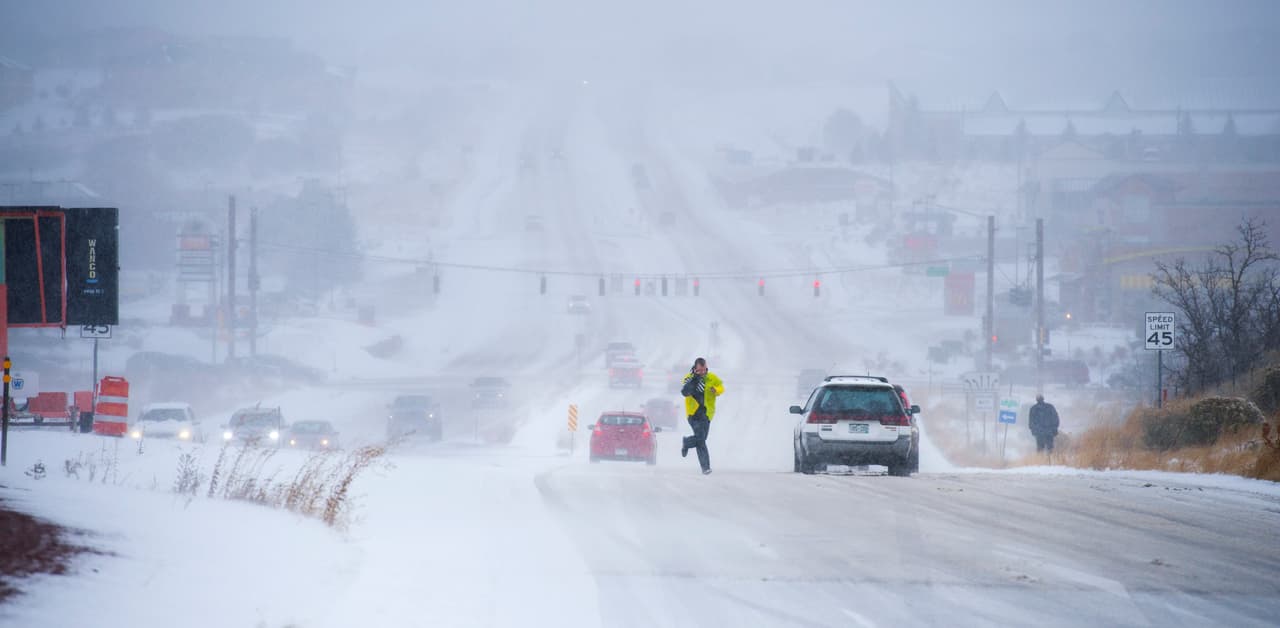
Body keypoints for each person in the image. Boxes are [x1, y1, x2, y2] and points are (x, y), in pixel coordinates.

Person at [680, 357, 725, 475]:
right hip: (693, 414)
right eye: (699, 370)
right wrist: (694, 379)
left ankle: (687, 442)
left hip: (707, 413)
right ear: (695, 369)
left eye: (704, 370)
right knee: (700, 439)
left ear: (706, 368)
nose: (702, 372)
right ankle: (705, 467)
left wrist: (716, 390)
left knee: (702, 439)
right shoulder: (689, 378)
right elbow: (685, 391)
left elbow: (721, 387)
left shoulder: (711, 377)